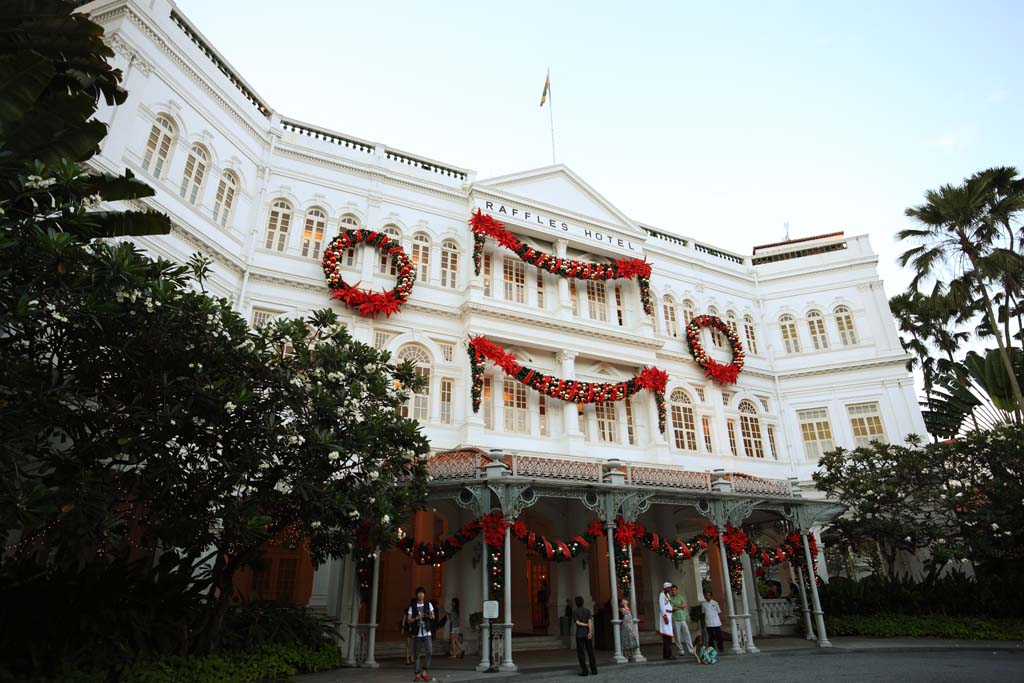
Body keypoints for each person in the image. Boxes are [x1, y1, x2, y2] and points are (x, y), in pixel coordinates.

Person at [407, 587, 435, 682]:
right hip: (417, 633)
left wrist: (427, 615)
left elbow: (433, 616)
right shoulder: (412, 606)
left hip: (427, 632)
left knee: (430, 651)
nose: (421, 595)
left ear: (424, 595)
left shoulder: (428, 604)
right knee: (416, 654)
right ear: (417, 595)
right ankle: (417, 673)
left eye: (422, 593)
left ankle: (424, 671)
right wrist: (417, 618)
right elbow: (409, 620)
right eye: (419, 593)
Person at [573, 596, 597, 676]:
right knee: (590, 652)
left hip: (579, 634)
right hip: (587, 633)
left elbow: (577, 622)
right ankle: (594, 670)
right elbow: (590, 622)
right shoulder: (587, 611)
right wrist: (590, 632)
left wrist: (584, 624)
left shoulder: (575, 611)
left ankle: (585, 671)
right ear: (583, 602)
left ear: (576, 603)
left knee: (581, 653)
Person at [669, 584, 694, 656]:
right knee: (677, 635)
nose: (673, 591)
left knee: (687, 634)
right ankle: (681, 650)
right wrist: (679, 607)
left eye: (674, 590)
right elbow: (671, 608)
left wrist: (676, 606)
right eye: (672, 590)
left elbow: (684, 605)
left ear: (677, 590)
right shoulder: (670, 599)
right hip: (675, 618)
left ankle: (691, 649)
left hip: (682, 618)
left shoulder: (681, 597)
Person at [658, 582, 675, 659]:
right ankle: (668, 654)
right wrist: (665, 617)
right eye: (668, 588)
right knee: (666, 636)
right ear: (665, 588)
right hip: (665, 616)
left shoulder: (667, 595)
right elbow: (662, 607)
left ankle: (667, 654)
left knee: (668, 636)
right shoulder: (661, 595)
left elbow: (668, 604)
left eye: (669, 588)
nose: (669, 589)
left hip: (669, 615)